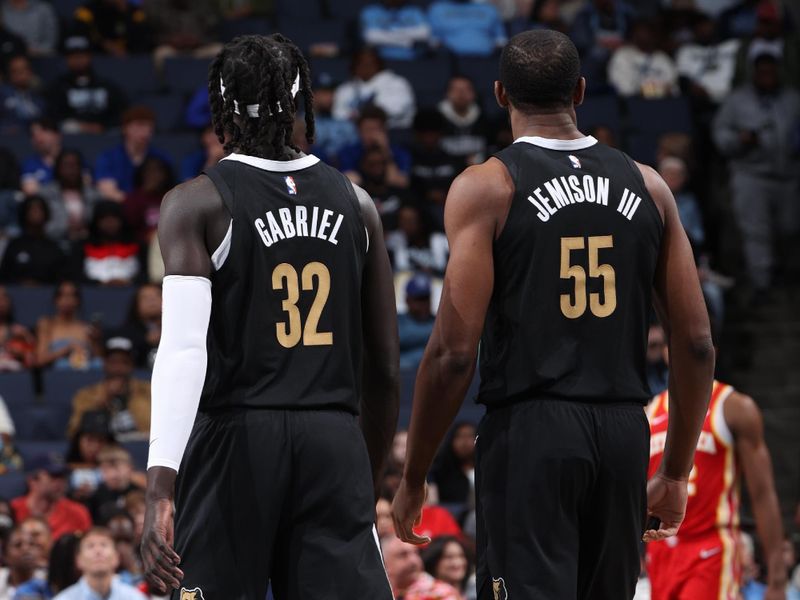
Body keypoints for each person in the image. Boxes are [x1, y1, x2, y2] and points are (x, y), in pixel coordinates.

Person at [392, 30, 715, 600]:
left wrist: (414, 473)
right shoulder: (650, 185)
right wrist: (676, 471)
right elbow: (694, 345)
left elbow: (451, 353)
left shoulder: (487, 187)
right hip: (622, 431)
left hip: (532, 431)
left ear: (498, 94)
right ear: (581, 92)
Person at [141, 34, 399, 599]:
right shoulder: (356, 203)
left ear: (223, 106)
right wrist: (363, 478)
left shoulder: (196, 201)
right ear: (302, 98)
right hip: (333, 437)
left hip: (238, 437)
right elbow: (383, 364)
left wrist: (161, 486)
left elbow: (184, 349)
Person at [647, 375, 786, 599]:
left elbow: (762, 494)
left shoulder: (734, 407)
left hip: (710, 548)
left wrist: (777, 579)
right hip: (659, 549)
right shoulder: (649, 411)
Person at [712, 50, 800, 294]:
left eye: (771, 72)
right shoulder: (737, 100)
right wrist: (739, 140)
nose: (767, 77)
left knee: (790, 227)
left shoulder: (792, 98)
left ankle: (786, 275)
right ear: (754, 73)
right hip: (751, 175)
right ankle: (762, 283)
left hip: (789, 175)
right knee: (756, 231)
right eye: (762, 72)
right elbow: (720, 135)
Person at [67, 337, 151, 440]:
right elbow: (73, 433)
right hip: (103, 450)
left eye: (124, 362)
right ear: (105, 364)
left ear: (131, 365)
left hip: (141, 447)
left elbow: (156, 429)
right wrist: (102, 401)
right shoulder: (86, 395)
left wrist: (132, 396)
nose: (118, 368)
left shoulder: (149, 391)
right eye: (113, 362)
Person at [46, 34, 127, 134]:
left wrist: (102, 126)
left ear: (89, 57)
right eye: (74, 57)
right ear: (67, 59)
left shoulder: (106, 85)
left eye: (81, 56)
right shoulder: (58, 87)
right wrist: (80, 126)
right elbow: (54, 115)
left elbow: (120, 111)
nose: (78, 60)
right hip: (71, 135)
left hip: (104, 133)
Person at [94, 106, 172, 202]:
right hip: (121, 207)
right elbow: (108, 190)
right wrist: (135, 205)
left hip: (154, 210)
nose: (146, 130)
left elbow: (169, 192)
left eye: (149, 126)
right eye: (140, 125)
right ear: (125, 128)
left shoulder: (161, 158)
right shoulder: (108, 158)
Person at [11, 454, 92, 541]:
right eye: (54, 476)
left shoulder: (77, 512)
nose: (61, 482)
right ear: (33, 480)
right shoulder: (13, 509)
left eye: (63, 476)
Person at [332, 47, 416, 129]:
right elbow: (338, 114)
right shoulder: (345, 88)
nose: (365, 67)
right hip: (352, 134)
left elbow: (396, 110)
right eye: (360, 63)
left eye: (369, 63)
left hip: (393, 132)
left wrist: (359, 115)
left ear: (379, 64)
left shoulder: (397, 83)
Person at [53, 527, 146, 600]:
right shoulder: (63, 598)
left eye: (104, 545)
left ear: (117, 558)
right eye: (90, 546)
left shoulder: (135, 597)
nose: (98, 551)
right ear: (78, 560)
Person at [71, 200, 143, 286]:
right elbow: (76, 276)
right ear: (96, 222)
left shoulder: (137, 245)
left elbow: (145, 274)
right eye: (105, 219)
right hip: (93, 293)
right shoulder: (82, 246)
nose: (110, 223)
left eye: (114, 218)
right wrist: (99, 283)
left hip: (131, 291)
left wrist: (129, 282)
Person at [34, 281, 102, 371]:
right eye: (63, 295)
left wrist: (95, 342)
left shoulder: (86, 328)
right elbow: (40, 360)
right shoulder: (47, 324)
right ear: (56, 300)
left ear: (78, 300)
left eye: (72, 295)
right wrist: (67, 349)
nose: (67, 300)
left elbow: (99, 362)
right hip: (58, 376)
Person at [0, 195, 67, 285]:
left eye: (40, 209)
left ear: (46, 214)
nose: (36, 212)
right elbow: (5, 278)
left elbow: (61, 280)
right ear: (24, 213)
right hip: (17, 295)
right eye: (32, 209)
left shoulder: (54, 248)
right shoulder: (14, 246)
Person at [39, 149, 101, 244]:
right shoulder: (45, 195)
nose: (71, 169)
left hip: (88, 245)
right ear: (58, 168)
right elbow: (40, 226)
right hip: (54, 244)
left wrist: (87, 230)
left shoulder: (94, 195)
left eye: (75, 165)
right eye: (67, 165)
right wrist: (66, 229)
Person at [608, 19, 679, 98]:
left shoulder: (662, 58)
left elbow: (673, 90)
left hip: (664, 104)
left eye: (648, 32)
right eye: (640, 32)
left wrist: (646, 91)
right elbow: (625, 90)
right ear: (634, 35)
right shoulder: (623, 55)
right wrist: (656, 90)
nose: (645, 35)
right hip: (634, 105)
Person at [381, 536, 461, 600]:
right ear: (384, 563)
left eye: (416, 553)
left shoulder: (440, 594)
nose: (414, 560)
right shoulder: (375, 593)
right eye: (403, 555)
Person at [438, 75, 490, 165]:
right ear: (447, 93)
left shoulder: (485, 121)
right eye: (455, 89)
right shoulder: (437, 120)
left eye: (466, 89)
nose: (461, 93)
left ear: (474, 93)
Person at [428, 0, 507, 57]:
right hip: (450, 62)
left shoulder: (489, 9)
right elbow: (433, 40)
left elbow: (500, 40)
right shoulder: (437, 9)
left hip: (486, 60)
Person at [360, 0, 432, 61]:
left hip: (412, 60)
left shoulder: (413, 10)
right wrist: (405, 42)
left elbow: (424, 33)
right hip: (381, 60)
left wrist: (387, 34)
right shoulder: (371, 11)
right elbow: (372, 36)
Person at [73, 0, 152, 56]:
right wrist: (104, 44)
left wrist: (124, 11)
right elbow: (81, 36)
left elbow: (142, 40)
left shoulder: (135, 13)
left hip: (129, 60)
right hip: (98, 58)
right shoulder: (87, 11)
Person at [123, 156, 173, 243]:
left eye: (158, 171)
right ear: (142, 174)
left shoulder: (172, 197)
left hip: (170, 244)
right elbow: (129, 227)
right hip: (142, 246)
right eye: (149, 171)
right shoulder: (133, 198)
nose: (154, 175)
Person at [114, 282, 161, 370]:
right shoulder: (127, 332)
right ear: (136, 305)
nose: (152, 301)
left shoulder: (178, 329)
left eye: (157, 296)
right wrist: (145, 342)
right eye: (145, 298)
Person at [429, 421, 476, 505]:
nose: (464, 442)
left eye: (469, 436)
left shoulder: (487, 471)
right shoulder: (439, 472)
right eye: (459, 436)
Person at [397, 273, 436, 370]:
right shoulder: (398, 321)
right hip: (404, 376)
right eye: (419, 299)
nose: (423, 304)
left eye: (426, 298)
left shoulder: (438, 322)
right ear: (407, 300)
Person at [0, 53, 45, 135]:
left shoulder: (39, 96)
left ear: (30, 72)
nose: (20, 74)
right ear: (9, 74)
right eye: (15, 71)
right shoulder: (2, 95)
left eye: (24, 70)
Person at [21, 118, 62, 194]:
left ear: (57, 135)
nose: (38, 138)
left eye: (43, 132)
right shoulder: (29, 164)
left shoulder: (72, 160)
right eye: (33, 135)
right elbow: (29, 190)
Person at [0, 525, 42, 599]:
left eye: (31, 544)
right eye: (18, 545)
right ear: (5, 555)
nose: (26, 549)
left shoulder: (48, 581)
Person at [0, 285, 35, 371]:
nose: (1, 301)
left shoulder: (20, 332)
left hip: (14, 379)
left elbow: (33, 363)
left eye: (4, 297)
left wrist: (22, 354)